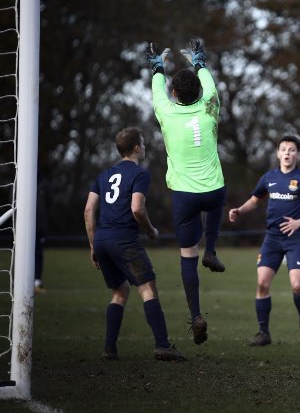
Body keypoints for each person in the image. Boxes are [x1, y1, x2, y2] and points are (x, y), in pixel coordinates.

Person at [146, 40, 227, 346]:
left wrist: (157, 66)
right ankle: (213, 248)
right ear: (199, 92)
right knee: (220, 194)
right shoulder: (210, 107)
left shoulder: (166, 112)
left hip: (183, 195)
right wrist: (200, 61)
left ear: (175, 94)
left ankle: (195, 315)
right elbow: (208, 81)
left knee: (186, 256)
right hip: (212, 191)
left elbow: (157, 89)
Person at [82, 127, 184, 362]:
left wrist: (92, 246)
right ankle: (162, 346)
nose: (146, 147)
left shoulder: (104, 174)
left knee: (120, 291)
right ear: (137, 148)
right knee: (147, 288)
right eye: (144, 143)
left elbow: (88, 210)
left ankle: (109, 349)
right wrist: (150, 230)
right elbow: (137, 208)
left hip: (102, 241)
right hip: (124, 239)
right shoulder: (140, 174)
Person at [228, 134, 300, 347]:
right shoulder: (268, 178)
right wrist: (239, 211)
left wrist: (299, 223)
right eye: (284, 149)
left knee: (298, 286)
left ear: (297, 154)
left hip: (296, 239)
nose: (287, 153)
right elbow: (254, 201)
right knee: (262, 283)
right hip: (272, 239)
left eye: (291, 150)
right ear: (278, 153)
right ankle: (263, 333)